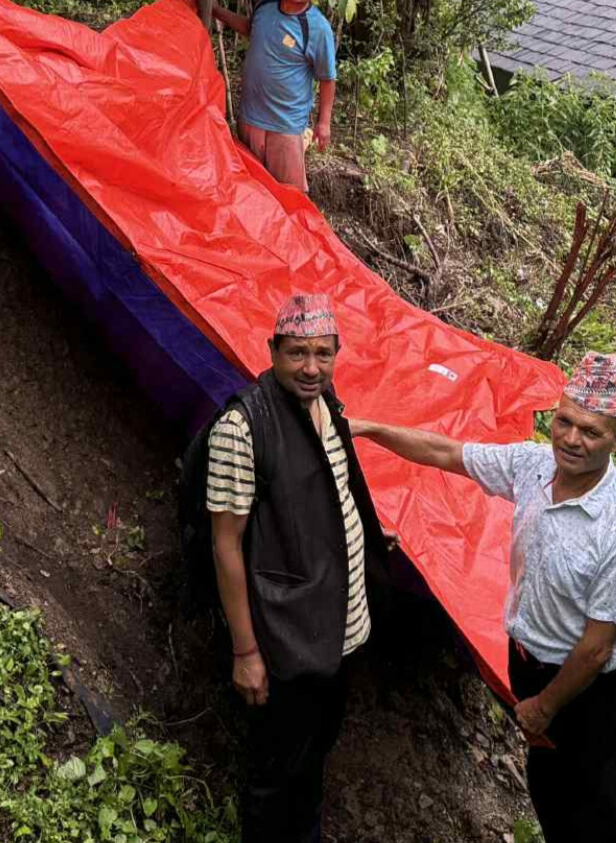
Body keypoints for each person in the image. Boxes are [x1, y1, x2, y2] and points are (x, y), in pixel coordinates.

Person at [350, 352, 616, 843]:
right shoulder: (534, 466)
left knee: (595, 811)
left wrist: (545, 706)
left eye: (591, 432)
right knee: (550, 790)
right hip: (531, 663)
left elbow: (598, 646)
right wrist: (367, 428)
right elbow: (446, 453)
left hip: (587, 689)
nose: (572, 439)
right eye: (565, 422)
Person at [205, 293, 390, 843]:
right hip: (286, 640)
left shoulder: (326, 405)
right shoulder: (242, 428)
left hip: (340, 633)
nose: (311, 367)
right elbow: (226, 545)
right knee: (274, 773)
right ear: (272, 352)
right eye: (297, 354)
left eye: (322, 353)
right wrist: (245, 652)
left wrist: (364, 535)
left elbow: (330, 493)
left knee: (313, 760)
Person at [213, 0, 337, 192]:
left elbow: (327, 78)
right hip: (250, 117)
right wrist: (216, 10)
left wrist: (324, 122)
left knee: (289, 193)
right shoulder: (266, 2)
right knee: (251, 185)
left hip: (284, 124)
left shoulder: (317, 28)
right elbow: (251, 28)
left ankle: (295, 228)